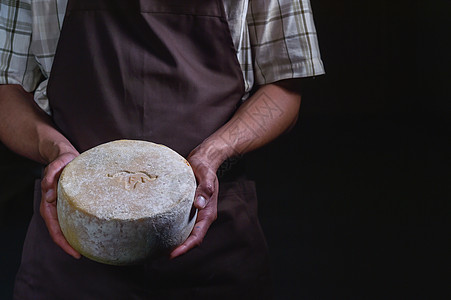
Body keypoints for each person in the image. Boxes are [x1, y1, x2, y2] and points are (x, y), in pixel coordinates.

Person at [0, 0, 324, 299]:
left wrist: (213, 153)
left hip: (213, 239)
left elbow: (284, 84)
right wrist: (54, 149)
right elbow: (6, 88)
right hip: (75, 246)